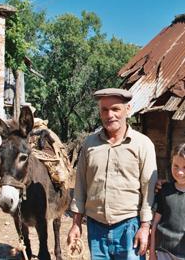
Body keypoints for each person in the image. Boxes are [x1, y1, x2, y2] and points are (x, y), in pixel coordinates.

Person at [67, 88, 158, 259]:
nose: (110, 115)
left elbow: (148, 188)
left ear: (127, 110)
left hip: (129, 227)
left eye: (115, 109)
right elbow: (80, 185)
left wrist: (145, 227)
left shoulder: (142, 144)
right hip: (96, 228)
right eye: (104, 110)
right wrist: (76, 224)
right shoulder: (89, 144)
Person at [149, 143, 185, 260]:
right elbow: (155, 223)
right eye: (176, 166)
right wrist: (152, 253)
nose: (180, 172)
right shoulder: (164, 190)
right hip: (163, 252)